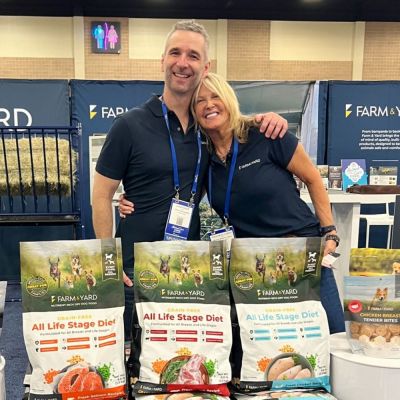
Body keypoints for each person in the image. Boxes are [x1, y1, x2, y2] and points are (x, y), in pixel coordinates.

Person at [92, 20, 288, 340]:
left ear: (206, 66)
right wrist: (108, 262)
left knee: (177, 364)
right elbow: (101, 195)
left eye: (193, 56)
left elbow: (237, 128)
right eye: (175, 53)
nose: (183, 63)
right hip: (133, 270)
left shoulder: (208, 129)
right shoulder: (129, 125)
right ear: (162, 61)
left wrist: (266, 118)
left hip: (187, 271)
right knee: (130, 367)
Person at [120, 72, 344, 334]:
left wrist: (329, 230)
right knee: (272, 343)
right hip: (256, 264)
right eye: (200, 101)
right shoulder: (205, 157)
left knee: (331, 335)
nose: (209, 105)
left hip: (301, 252)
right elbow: (179, 191)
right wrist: (132, 200)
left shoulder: (267, 134)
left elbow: (314, 179)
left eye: (215, 96)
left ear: (229, 99)